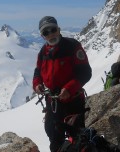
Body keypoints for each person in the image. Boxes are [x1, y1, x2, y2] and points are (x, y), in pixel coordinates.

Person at [32, 16, 92, 152]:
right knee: (54, 137)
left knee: (78, 138)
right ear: (42, 36)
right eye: (46, 32)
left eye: (52, 30)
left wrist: (69, 88)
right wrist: (37, 84)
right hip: (53, 103)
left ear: (58, 30)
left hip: (73, 101)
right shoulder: (43, 52)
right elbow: (38, 72)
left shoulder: (72, 46)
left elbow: (85, 72)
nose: (50, 34)